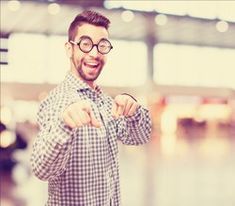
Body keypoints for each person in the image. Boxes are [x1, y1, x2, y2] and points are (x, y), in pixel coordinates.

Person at [30, 10, 152, 206]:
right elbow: (42, 170)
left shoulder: (105, 102)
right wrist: (64, 125)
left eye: (102, 45)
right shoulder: (57, 101)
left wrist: (133, 110)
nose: (94, 54)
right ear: (70, 49)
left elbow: (140, 137)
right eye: (85, 44)